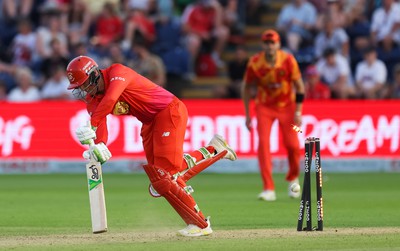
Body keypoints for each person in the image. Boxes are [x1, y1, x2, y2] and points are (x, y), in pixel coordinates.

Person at [66, 55, 237, 237]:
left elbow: (110, 100)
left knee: (166, 177)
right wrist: (98, 146)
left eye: (84, 83)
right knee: (160, 180)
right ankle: (215, 149)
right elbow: (100, 127)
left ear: (93, 74)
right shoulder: (93, 100)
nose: (83, 89)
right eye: (79, 86)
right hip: (149, 122)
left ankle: (200, 224)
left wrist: (90, 124)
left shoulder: (117, 72)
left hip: (168, 111)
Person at [241, 29, 305, 201]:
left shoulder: (288, 61)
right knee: (263, 144)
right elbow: (246, 88)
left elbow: (300, 87)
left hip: (288, 107)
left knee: (292, 144)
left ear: (278, 44)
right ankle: (268, 188)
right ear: (262, 45)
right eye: (267, 43)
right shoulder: (255, 63)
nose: (270, 46)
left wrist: (298, 111)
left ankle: (293, 180)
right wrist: (247, 115)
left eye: (273, 43)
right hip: (264, 107)